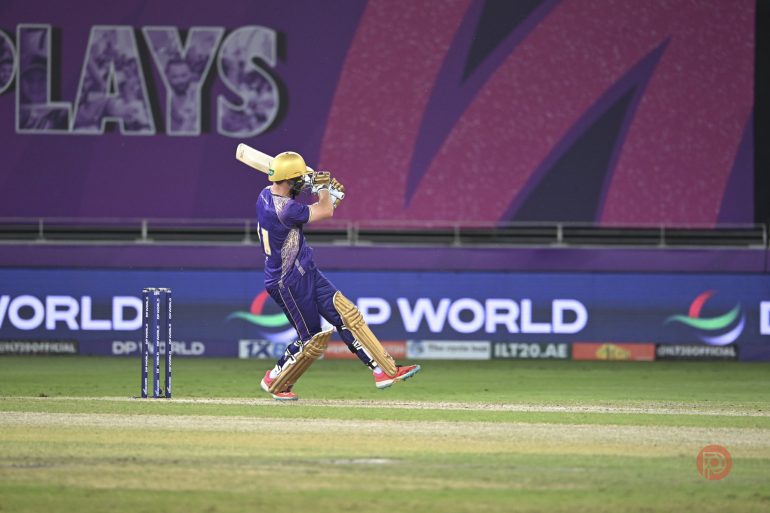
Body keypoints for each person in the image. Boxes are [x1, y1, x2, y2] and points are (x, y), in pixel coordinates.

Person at [255, 151, 420, 400]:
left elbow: (314, 207)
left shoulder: (265, 195)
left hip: (306, 270)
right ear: (291, 181)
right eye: (298, 180)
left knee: (347, 313)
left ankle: (384, 371)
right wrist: (324, 190)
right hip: (287, 282)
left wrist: (324, 193)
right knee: (311, 339)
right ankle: (275, 380)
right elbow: (325, 212)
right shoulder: (285, 210)